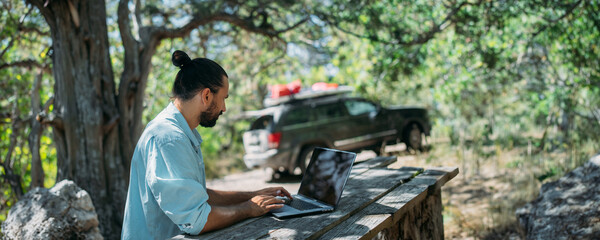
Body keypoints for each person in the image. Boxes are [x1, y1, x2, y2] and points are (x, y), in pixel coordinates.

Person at [121, 50, 292, 240]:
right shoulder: (169, 138)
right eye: (224, 99)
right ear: (207, 96)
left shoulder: (180, 131)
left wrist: (253, 195)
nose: (224, 109)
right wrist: (249, 208)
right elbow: (196, 219)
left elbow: (197, 195)